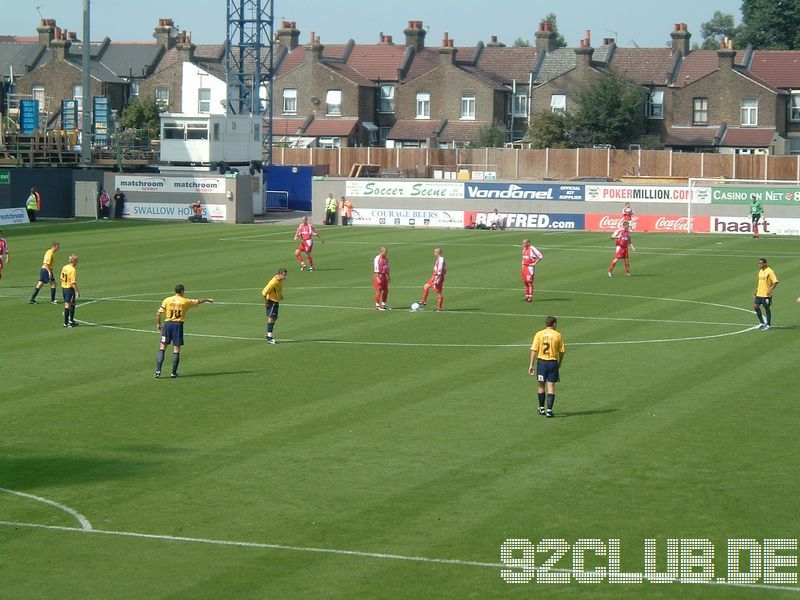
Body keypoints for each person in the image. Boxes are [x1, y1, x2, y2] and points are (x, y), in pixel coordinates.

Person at [154, 284, 214, 378]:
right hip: (178, 325)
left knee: (162, 348)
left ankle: (158, 371)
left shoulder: (167, 300)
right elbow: (197, 301)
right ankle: (173, 373)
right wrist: (207, 300)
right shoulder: (184, 301)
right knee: (176, 349)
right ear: (182, 291)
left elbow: (158, 313)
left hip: (167, 325)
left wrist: (158, 324)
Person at [528, 315, 566, 418]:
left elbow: (534, 350)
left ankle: (541, 408)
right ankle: (549, 410)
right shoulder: (558, 335)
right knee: (551, 387)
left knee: (541, 386)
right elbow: (562, 352)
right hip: (553, 363)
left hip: (542, 363)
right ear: (554, 324)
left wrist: (531, 364)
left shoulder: (539, 334)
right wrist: (559, 363)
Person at [261, 267, 288, 344]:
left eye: (286, 275)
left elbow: (277, 290)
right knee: (271, 318)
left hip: (276, 301)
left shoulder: (280, 280)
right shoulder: (273, 283)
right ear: (279, 274)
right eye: (284, 275)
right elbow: (264, 292)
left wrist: (280, 295)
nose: (285, 277)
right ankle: (269, 337)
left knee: (275, 317)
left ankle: (268, 333)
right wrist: (266, 302)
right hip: (271, 302)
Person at [754, 258, 779, 330]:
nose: (759, 265)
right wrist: (756, 290)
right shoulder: (760, 271)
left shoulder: (770, 271)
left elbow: (775, 281)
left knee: (767, 309)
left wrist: (770, 289)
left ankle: (768, 325)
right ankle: (762, 323)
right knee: (755, 307)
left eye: (760, 263)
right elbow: (760, 282)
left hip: (766, 295)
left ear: (765, 263)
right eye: (759, 263)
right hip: (759, 293)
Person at [59, 254, 80, 328]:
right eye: (76, 260)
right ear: (73, 261)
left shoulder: (65, 267)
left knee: (73, 304)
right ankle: (66, 323)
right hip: (69, 289)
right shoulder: (72, 270)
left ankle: (71, 320)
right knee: (68, 305)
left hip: (64, 288)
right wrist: (77, 291)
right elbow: (73, 282)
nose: (77, 262)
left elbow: (61, 278)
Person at [373, 246, 390, 310]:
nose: (386, 253)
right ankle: (377, 305)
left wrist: (388, 276)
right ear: (381, 252)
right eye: (385, 252)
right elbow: (376, 270)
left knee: (386, 290)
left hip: (384, 276)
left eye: (386, 252)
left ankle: (383, 304)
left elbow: (387, 268)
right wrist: (378, 278)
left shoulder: (385, 259)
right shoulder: (377, 258)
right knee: (379, 290)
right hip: (379, 275)